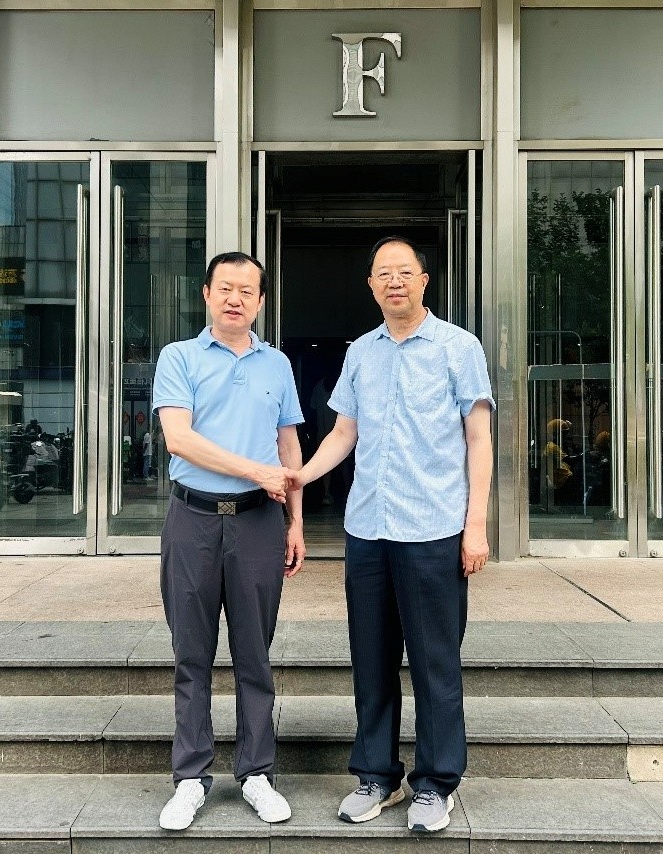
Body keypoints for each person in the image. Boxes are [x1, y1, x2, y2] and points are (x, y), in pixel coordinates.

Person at [291, 236, 494, 834]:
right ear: (371, 285)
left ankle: (436, 783)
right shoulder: (361, 352)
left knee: (435, 663)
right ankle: (377, 775)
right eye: (384, 274)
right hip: (368, 529)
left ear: (424, 281)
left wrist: (476, 526)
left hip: (434, 528)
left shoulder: (459, 347)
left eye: (405, 272)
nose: (395, 282)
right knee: (372, 661)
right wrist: (301, 475)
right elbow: (343, 432)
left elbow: (479, 438)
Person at [151, 251, 305, 831]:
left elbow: (288, 446)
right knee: (191, 653)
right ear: (207, 294)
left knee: (254, 654)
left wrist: (295, 521)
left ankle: (256, 773)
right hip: (192, 519)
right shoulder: (179, 357)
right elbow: (180, 439)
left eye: (247, 290)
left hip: (259, 522)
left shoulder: (277, 364)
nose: (235, 298)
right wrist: (254, 470)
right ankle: (190, 777)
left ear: (260, 301)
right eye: (225, 288)